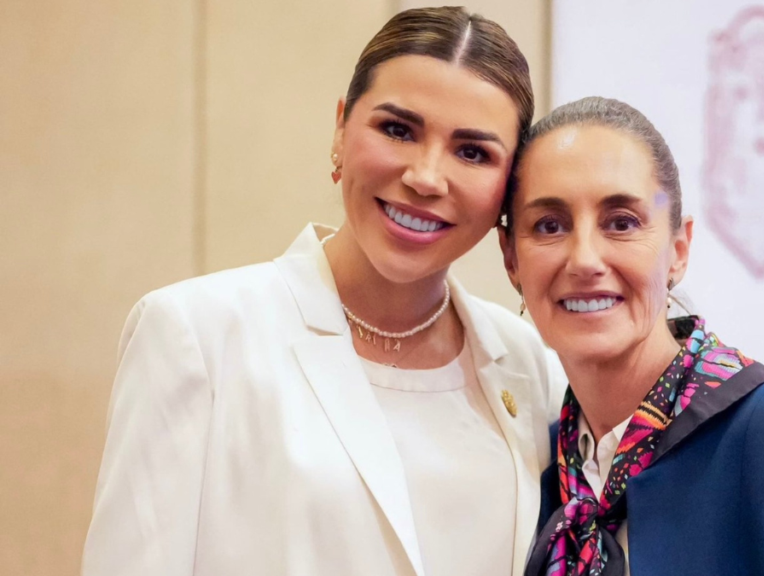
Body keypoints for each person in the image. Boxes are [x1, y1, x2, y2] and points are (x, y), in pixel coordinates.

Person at [81, 8, 565, 576]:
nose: (426, 177)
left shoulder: (530, 364)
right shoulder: (196, 335)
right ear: (340, 129)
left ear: (508, 187)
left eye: (472, 152)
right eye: (398, 130)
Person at [499, 97, 764, 576]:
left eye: (621, 223)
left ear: (679, 250)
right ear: (511, 259)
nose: (584, 259)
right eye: (549, 226)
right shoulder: (533, 462)